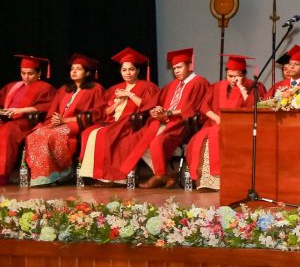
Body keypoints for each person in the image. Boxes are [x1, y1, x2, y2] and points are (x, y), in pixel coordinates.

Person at [121, 47, 210, 189]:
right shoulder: (173, 84)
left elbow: (193, 108)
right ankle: (166, 175)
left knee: (157, 142)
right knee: (136, 140)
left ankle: (160, 175)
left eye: (179, 67)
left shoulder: (199, 82)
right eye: (174, 68)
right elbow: (156, 101)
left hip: (181, 124)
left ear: (189, 66)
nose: (176, 71)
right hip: (163, 121)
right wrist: (155, 110)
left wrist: (168, 113)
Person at [77, 47, 160, 187]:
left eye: (131, 69)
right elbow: (107, 111)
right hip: (113, 121)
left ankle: (112, 178)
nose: (128, 73)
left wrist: (129, 95)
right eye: (124, 70)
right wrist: (118, 103)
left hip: (132, 123)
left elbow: (148, 106)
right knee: (89, 133)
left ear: (138, 71)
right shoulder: (115, 88)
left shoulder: (147, 86)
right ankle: (94, 175)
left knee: (106, 134)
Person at [185, 54, 266, 192]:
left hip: (242, 127)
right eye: (230, 76)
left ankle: (220, 180)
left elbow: (254, 106)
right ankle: (207, 180)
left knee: (216, 134)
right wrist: (217, 118)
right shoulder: (217, 86)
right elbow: (204, 106)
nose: (233, 79)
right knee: (203, 138)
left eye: (237, 76)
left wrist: (241, 88)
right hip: (216, 124)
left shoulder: (254, 86)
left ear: (244, 74)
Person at [23, 54, 106, 186]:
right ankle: (44, 176)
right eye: (72, 68)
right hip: (59, 123)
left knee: (51, 135)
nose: (74, 71)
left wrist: (65, 120)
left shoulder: (96, 89)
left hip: (79, 124)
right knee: (35, 135)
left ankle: (62, 173)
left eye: (78, 69)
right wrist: (54, 119)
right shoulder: (64, 89)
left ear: (87, 72)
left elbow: (97, 113)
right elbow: (53, 110)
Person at [0, 55, 56, 184]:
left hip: (24, 122)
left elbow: (49, 106)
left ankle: (2, 175)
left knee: (7, 132)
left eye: (30, 74)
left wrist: (22, 110)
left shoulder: (45, 87)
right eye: (23, 73)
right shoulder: (12, 86)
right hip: (6, 119)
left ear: (39, 73)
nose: (26, 77)